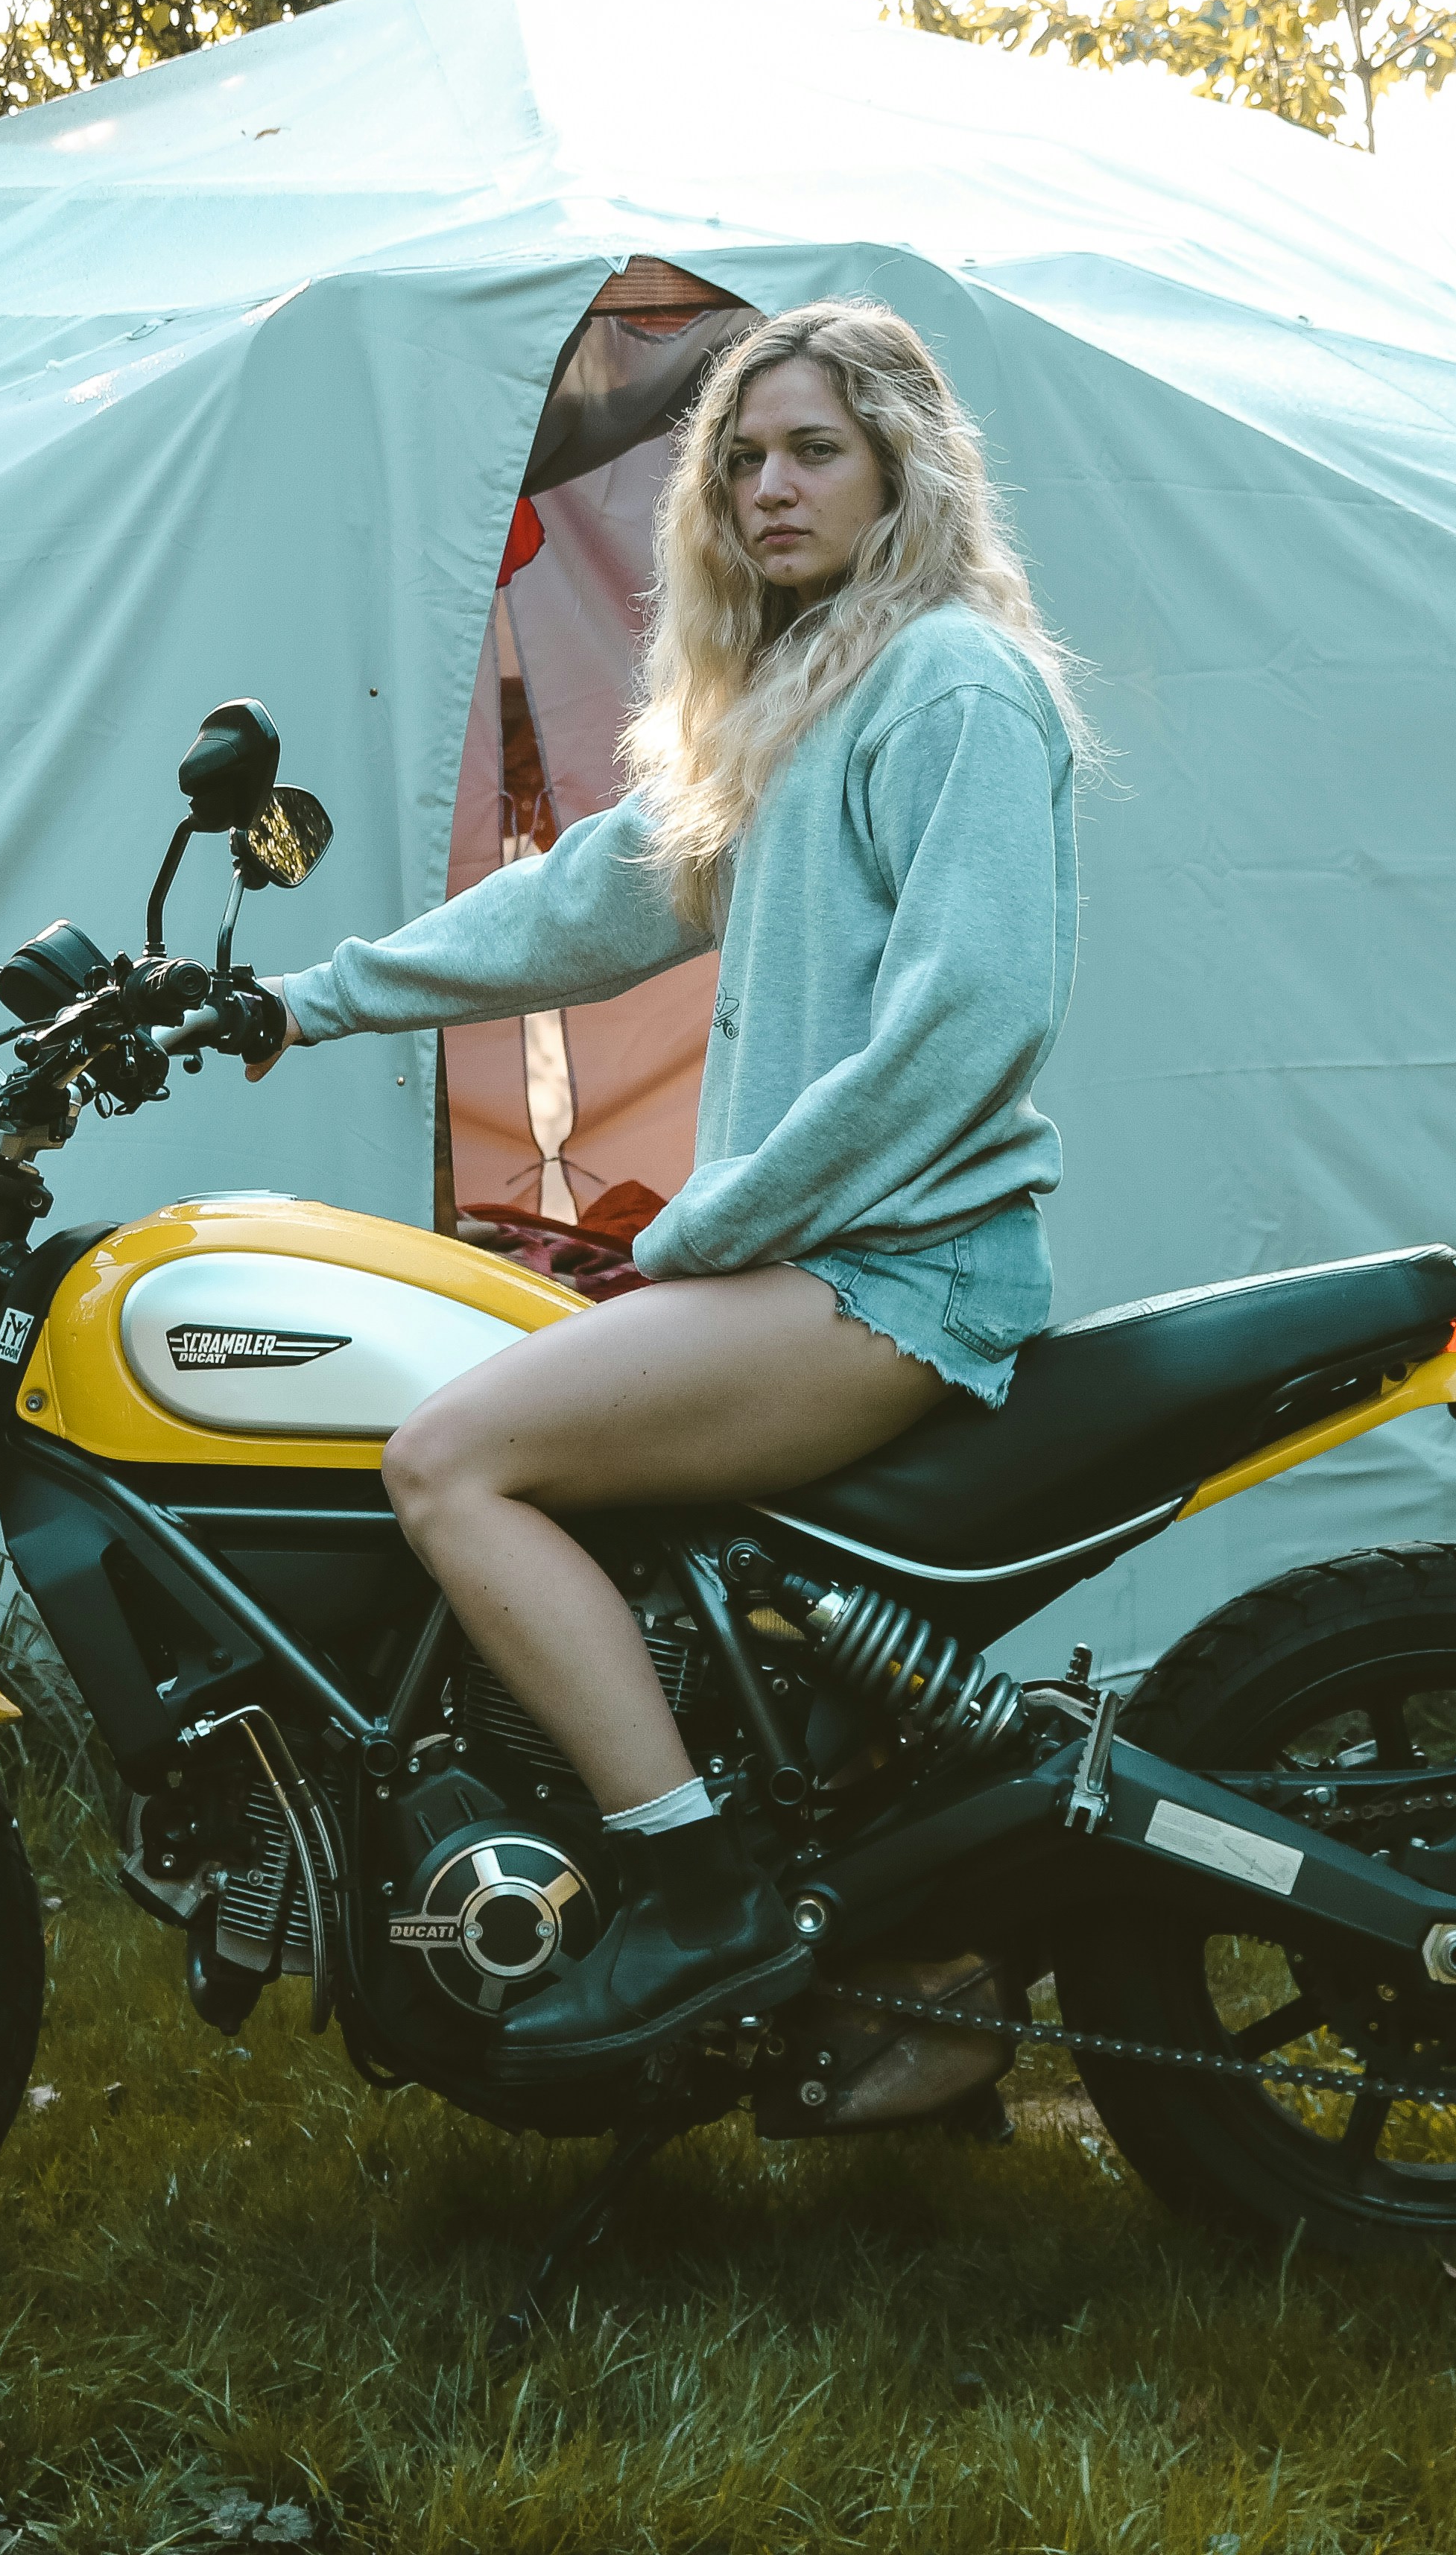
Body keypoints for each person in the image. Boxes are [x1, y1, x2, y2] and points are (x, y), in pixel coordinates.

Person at [259, 298, 1089, 2073]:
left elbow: (977, 1011)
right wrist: (310, 998)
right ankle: (879, 1971)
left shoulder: (946, 678)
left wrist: (722, 1223)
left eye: (813, 450)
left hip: (892, 1276)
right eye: (737, 458)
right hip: (830, 1261)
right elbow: (590, 896)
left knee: (450, 1455)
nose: (765, 489)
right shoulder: (806, 692)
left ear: (904, 467)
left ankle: (696, 1888)